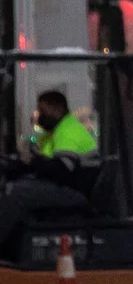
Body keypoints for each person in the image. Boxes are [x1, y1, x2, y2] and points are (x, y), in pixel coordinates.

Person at [0, 90, 100, 251]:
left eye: (42, 110)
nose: (39, 115)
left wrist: (32, 162)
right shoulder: (53, 132)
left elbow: (62, 169)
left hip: (74, 191)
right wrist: (19, 165)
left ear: (57, 109)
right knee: (14, 186)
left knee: (17, 193)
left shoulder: (68, 131)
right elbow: (41, 162)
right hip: (62, 185)